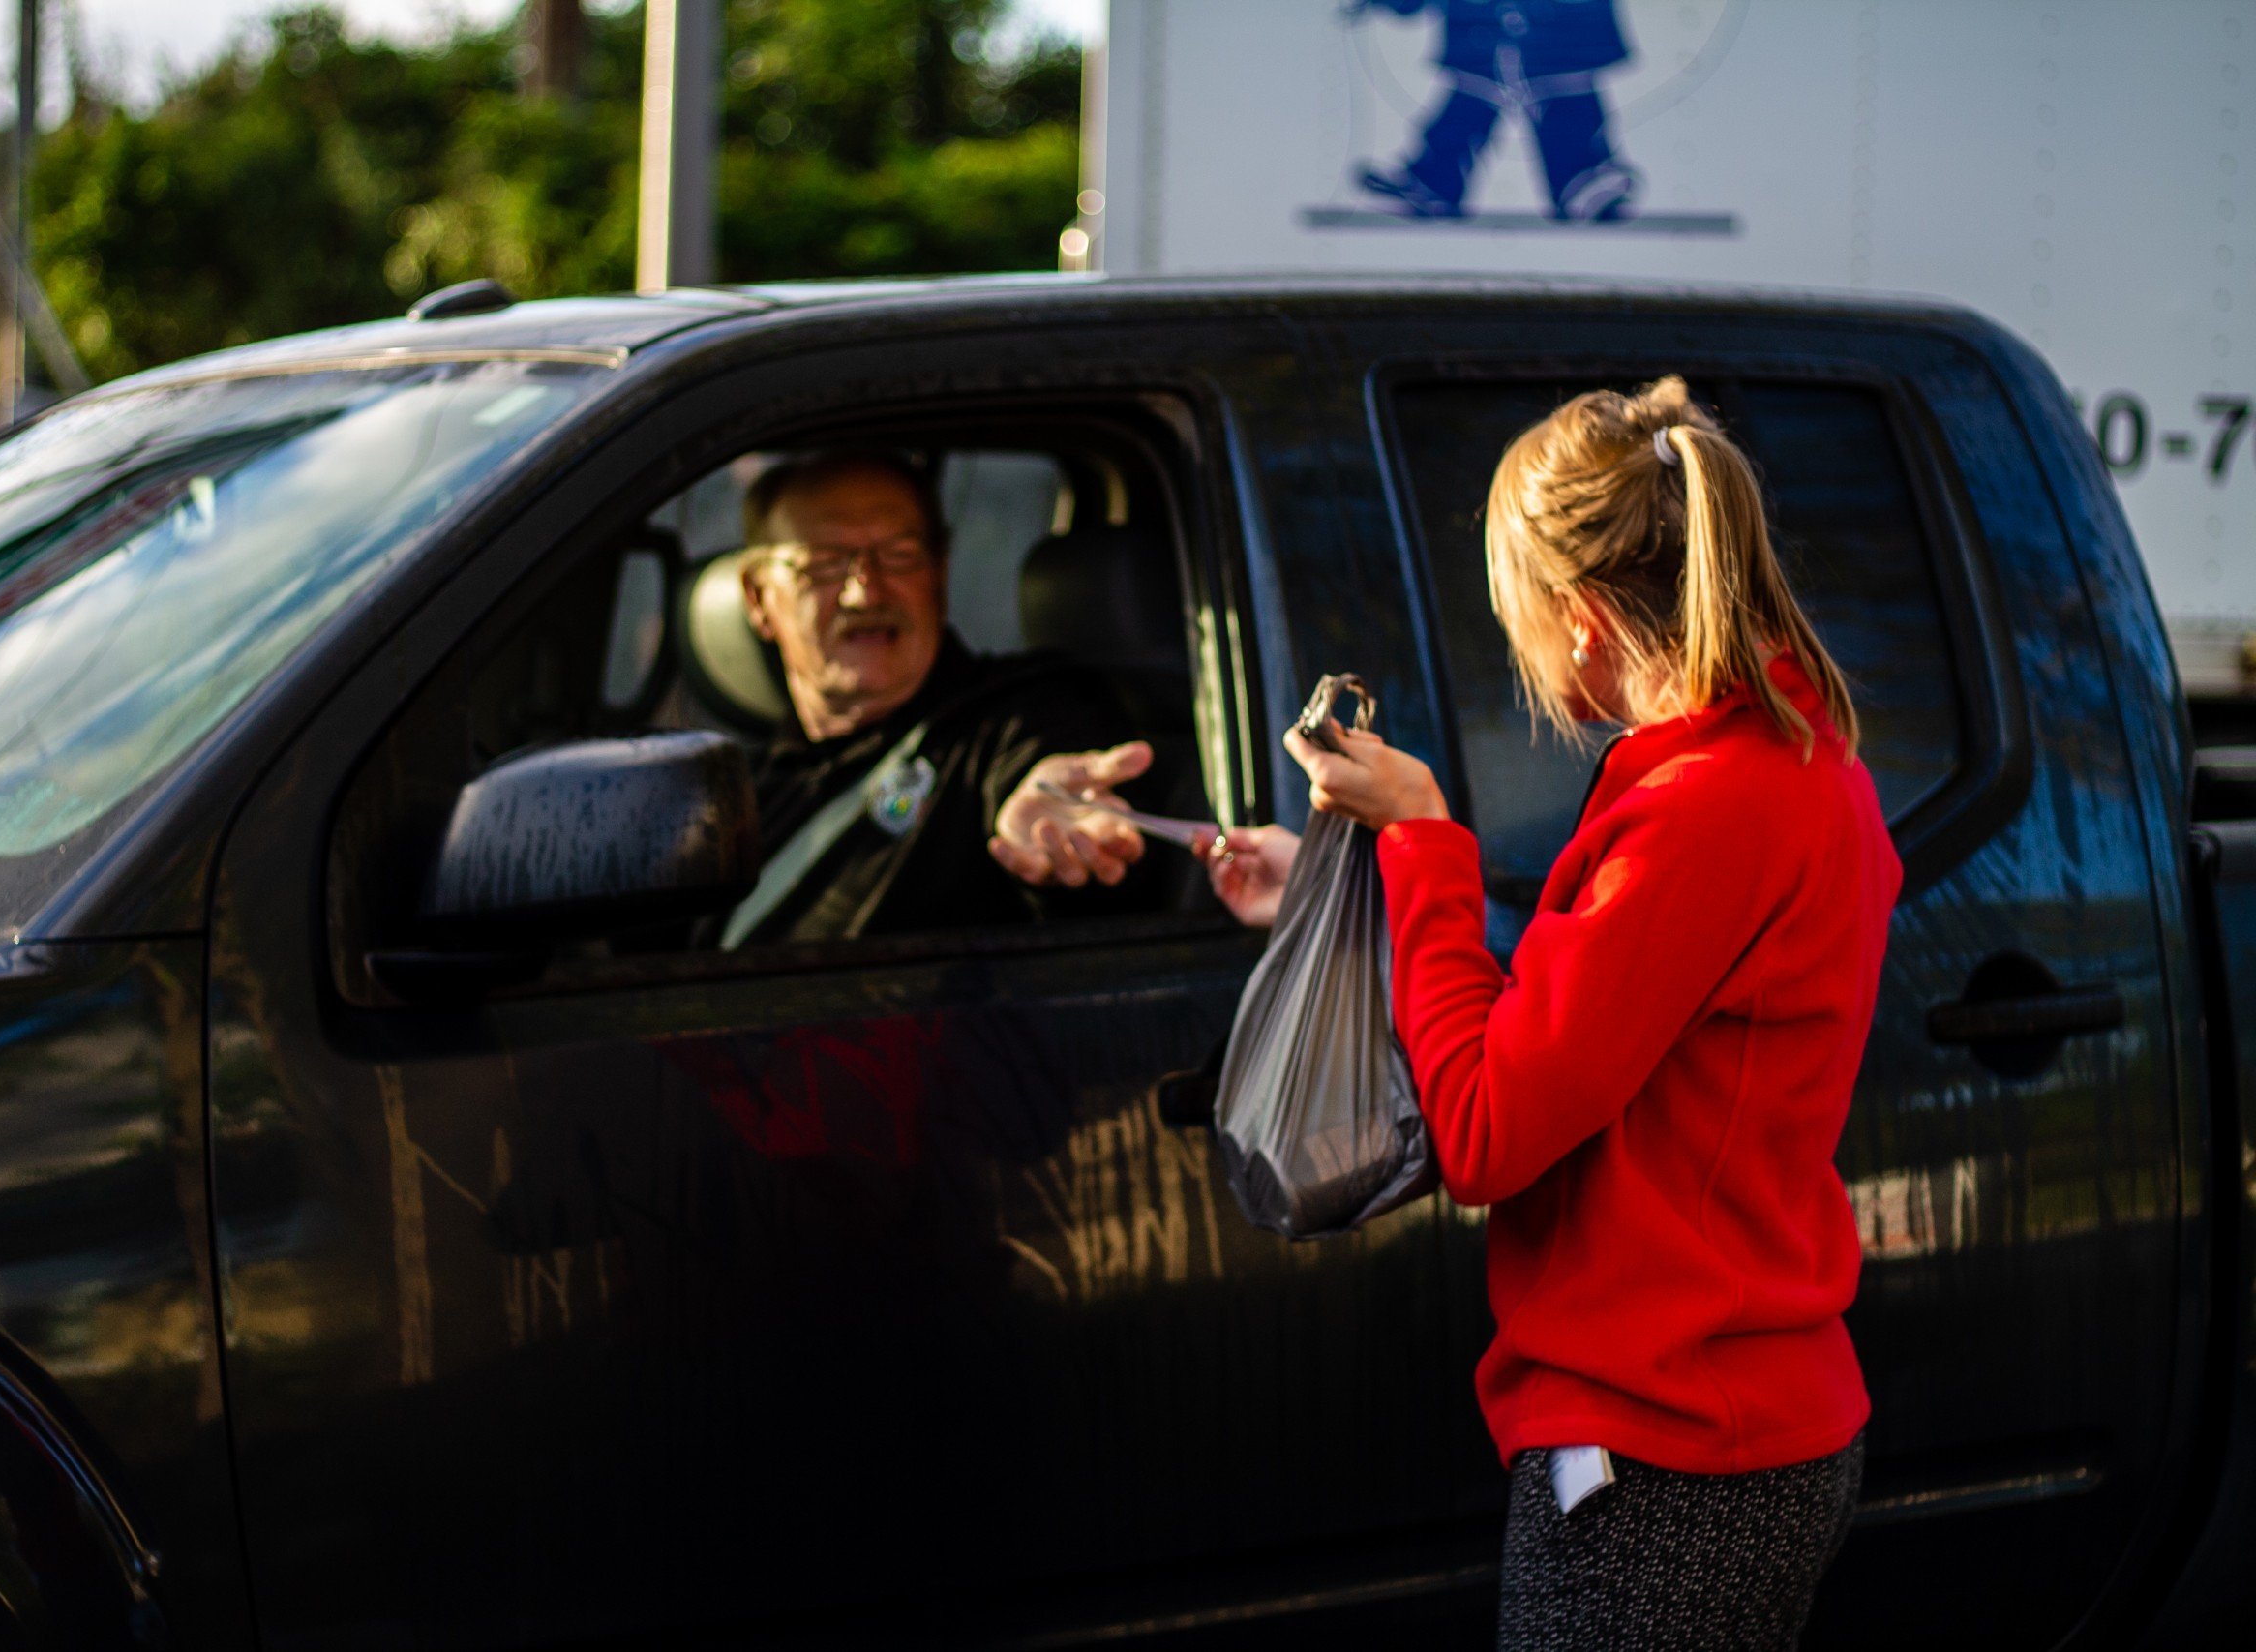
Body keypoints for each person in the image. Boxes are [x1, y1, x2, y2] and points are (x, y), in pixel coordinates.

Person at [1204, 379, 1898, 1650]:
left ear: (1580, 621)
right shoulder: (1803, 763)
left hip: (1660, 1442)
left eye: (1513, 622)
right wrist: (1342, 897)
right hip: (1744, 1415)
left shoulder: (1697, 811)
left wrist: (1419, 838)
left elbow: (1483, 1128)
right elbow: (1604, 1011)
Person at [719, 449, 1171, 948]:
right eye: (824, 565)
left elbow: (1058, 788)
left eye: (900, 555)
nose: (865, 593)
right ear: (758, 597)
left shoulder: (1018, 713)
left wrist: (1060, 839)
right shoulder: (737, 792)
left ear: (940, 572)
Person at [1350, 0, 1641, 222]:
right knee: (1469, 102)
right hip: (1482, 29)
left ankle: (1581, 176)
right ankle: (1435, 179)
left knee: (1566, 102)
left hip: (1558, 30)